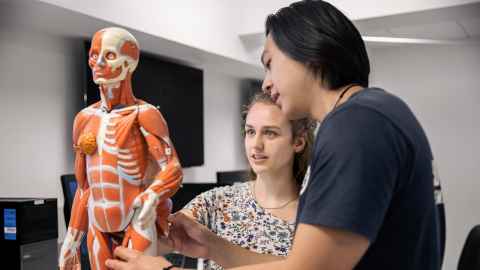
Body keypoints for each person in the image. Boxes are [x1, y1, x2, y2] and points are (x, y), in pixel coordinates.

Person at [106, 1, 442, 269]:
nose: (266, 81)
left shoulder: (356, 123)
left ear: (311, 52)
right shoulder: (377, 114)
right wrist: (214, 247)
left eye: (270, 62)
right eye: (250, 131)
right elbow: (303, 264)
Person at [105, 92, 314, 270]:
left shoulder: (315, 217)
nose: (256, 145)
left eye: (270, 133)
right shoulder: (215, 202)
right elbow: (148, 241)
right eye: (250, 132)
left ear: (298, 142)